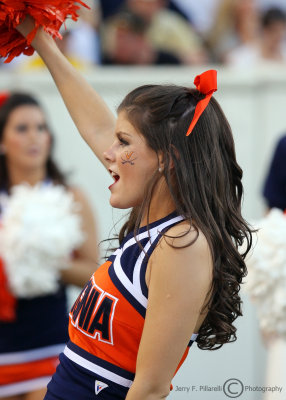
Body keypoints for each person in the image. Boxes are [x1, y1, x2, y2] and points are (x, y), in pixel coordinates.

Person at [15, 15, 253, 400]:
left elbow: (150, 389)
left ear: (166, 158)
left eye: (124, 141)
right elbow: (94, 126)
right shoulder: (152, 218)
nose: (109, 152)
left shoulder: (183, 242)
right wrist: (37, 35)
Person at [0, 92, 99, 400]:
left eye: (41, 128)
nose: (34, 137)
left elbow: (93, 275)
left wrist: (43, 257)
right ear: (2, 141)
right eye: (22, 128)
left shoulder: (71, 197)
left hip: (52, 347)